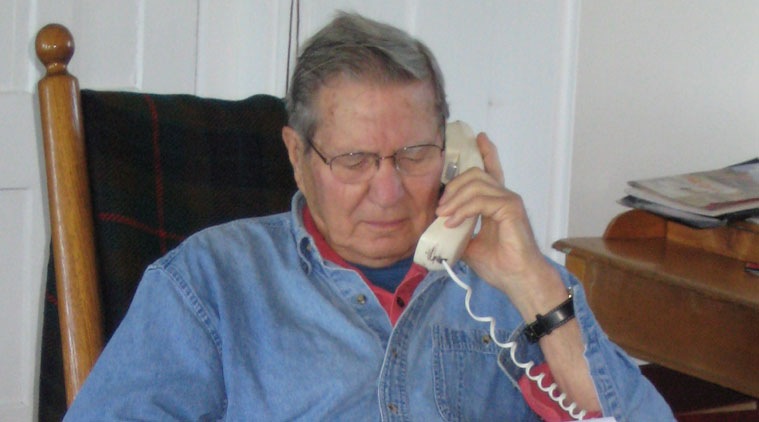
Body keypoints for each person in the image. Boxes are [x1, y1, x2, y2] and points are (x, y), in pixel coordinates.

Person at [65, 12, 673, 421]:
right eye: (354, 160)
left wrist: (534, 283)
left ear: (453, 150)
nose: (388, 191)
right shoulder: (210, 280)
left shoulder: (509, 287)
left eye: (413, 154)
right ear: (298, 157)